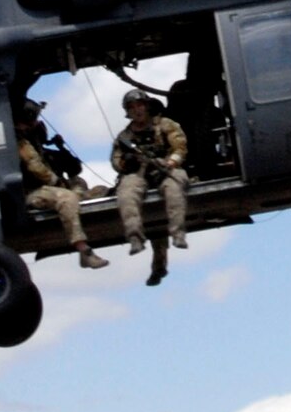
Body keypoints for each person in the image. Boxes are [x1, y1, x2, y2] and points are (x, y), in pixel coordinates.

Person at [15, 100, 106, 270]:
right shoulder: (20, 143)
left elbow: (74, 169)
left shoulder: (36, 143)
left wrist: (60, 146)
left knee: (88, 187)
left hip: (48, 189)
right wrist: (57, 182)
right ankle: (84, 250)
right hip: (31, 193)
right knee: (67, 197)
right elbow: (35, 167)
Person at [112, 90, 189, 283]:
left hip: (165, 168)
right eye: (132, 107)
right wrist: (126, 162)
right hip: (139, 174)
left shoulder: (165, 125)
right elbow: (116, 160)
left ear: (147, 106)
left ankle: (178, 234)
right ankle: (135, 238)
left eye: (140, 105)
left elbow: (180, 147)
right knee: (126, 193)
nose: (137, 110)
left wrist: (169, 163)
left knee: (174, 187)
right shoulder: (125, 136)